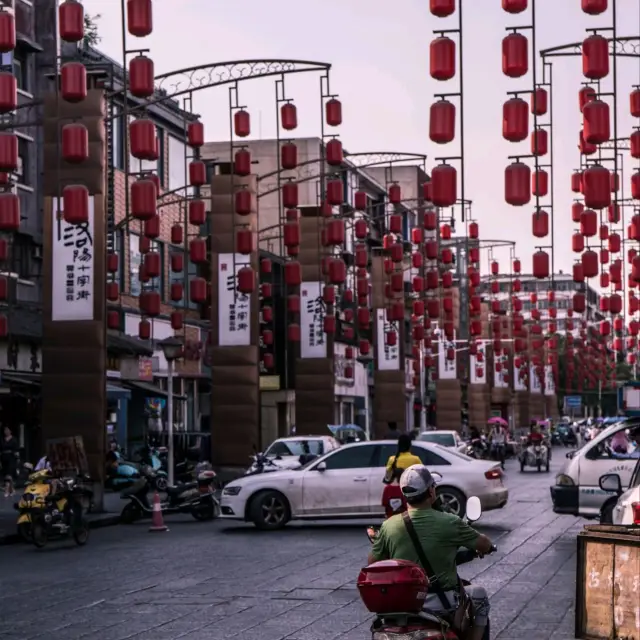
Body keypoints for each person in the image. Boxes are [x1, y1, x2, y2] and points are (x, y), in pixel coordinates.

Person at [369, 465, 493, 640]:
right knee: (480, 597)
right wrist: (486, 548)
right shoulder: (450, 521)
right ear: (431, 491)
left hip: (403, 602)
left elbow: (372, 563)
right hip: (441, 602)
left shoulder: (389, 525)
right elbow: (485, 544)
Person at [1, 426, 19, 497]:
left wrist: (17, 459)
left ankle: (6, 490)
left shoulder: (14, 439)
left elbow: (16, 450)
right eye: (5, 430)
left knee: (9, 474)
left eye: (7, 430)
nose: (6, 431)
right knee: (6, 475)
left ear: (10, 431)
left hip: (11, 458)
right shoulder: (2, 439)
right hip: (3, 458)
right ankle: (13, 490)